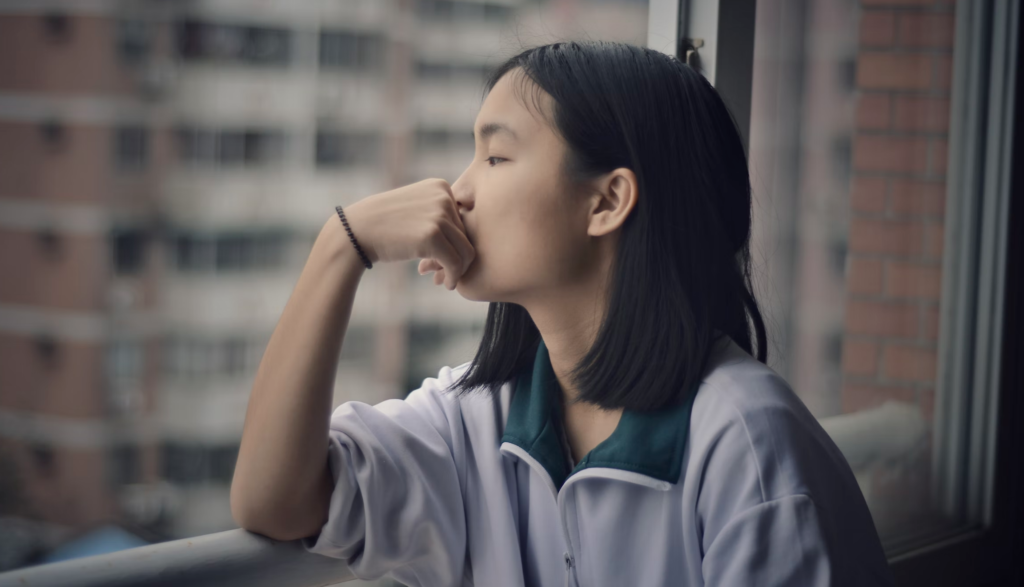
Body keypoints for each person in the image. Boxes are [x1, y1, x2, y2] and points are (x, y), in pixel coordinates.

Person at [230, 40, 896, 586]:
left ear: (607, 201)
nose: (457, 192)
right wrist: (340, 245)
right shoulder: (476, 420)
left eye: (495, 156)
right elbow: (276, 500)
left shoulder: (749, 446)